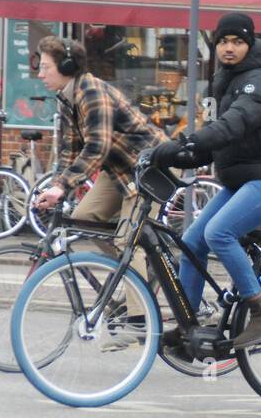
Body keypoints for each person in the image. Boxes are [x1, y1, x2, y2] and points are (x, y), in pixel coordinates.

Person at [150, 13, 261, 350]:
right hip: (244, 177)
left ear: (249, 44)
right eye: (223, 41)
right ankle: (187, 323)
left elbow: (237, 122)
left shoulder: (259, 80)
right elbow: (214, 145)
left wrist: (187, 141)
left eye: (237, 41)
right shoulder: (223, 81)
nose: (229, 48)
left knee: (218, 232)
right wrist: (168, 155)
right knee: (192, 240)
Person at [29, 36, 166, 350]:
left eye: (46, 67)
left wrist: (63, 185)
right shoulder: (67, 98)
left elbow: (96, 147)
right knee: (82, 218)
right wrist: (56, 187)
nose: (40, 74)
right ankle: (133, 275)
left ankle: (138, 321)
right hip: (117, 170)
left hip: (148, 169)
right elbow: (69, 151)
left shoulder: (92, 92)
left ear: (66, 67)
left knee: (127, 240)